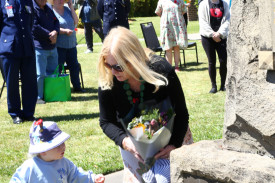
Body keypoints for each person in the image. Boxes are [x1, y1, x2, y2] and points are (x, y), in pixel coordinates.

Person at [98, 26, 192, 182]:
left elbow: (181, 113)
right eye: (108, 65)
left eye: (118, 66)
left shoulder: (161, 70)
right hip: (135, 147)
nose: (113, 72)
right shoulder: (109, 79)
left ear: (134, 59)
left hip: (173, 138)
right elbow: (106, 121)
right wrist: (125, 142)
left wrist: (174, 145)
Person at [10, 119, 105, 183]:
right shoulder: (30, 167)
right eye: (57, 145)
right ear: (43, 151)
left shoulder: (64, 163)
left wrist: (92, 178)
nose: (63, 147)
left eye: (63, 143)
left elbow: (76, 175)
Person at [0, 0, 38, 124]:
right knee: (12, 83)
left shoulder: (28, 1)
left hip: (27, 46)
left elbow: (31, 21)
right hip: (9, 47)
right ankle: (15, 113)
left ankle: (28, 112)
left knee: (30, 81)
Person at [51, 0, 85, 93]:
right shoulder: (51, 11)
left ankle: (77, 87)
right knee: (59, 68)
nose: (61, 1)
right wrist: (64, 31)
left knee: (74, 67)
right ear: (53, 1)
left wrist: (72, 9)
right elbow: (52, 27)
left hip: (72, 45)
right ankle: (59, 88)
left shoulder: (67, 9)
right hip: (59, 46)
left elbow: (76, 22)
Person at [198, 0, 230, 93]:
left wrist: (219, 33)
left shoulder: (224, 4)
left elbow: (227, 19)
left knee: (223, 61)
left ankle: (223, 85)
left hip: (221, 37)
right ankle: (213, 86)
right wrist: (212, 34)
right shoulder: (203, 4)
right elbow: (203, 22)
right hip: (208, 38)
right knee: (212, 62)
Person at [32, 0, 60, 104]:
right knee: (40, 74)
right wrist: (50, 35)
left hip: (52, 47)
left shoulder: (48, 7)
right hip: (40, 47)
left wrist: (56, 32)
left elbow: (56, 21)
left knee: (53, 73)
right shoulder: (31, 8)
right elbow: (34, 26)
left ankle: (51, 94)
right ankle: (39, 97)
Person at [155, 0, 188, 72]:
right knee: (168, 47)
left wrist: (175, 17)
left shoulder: (180, 1)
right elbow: (158, 12)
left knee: (176, 46)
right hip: (167, 27)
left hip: (177, 27)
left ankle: (177, 67)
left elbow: (183, 11)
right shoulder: (161, 1)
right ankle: (169, 68)